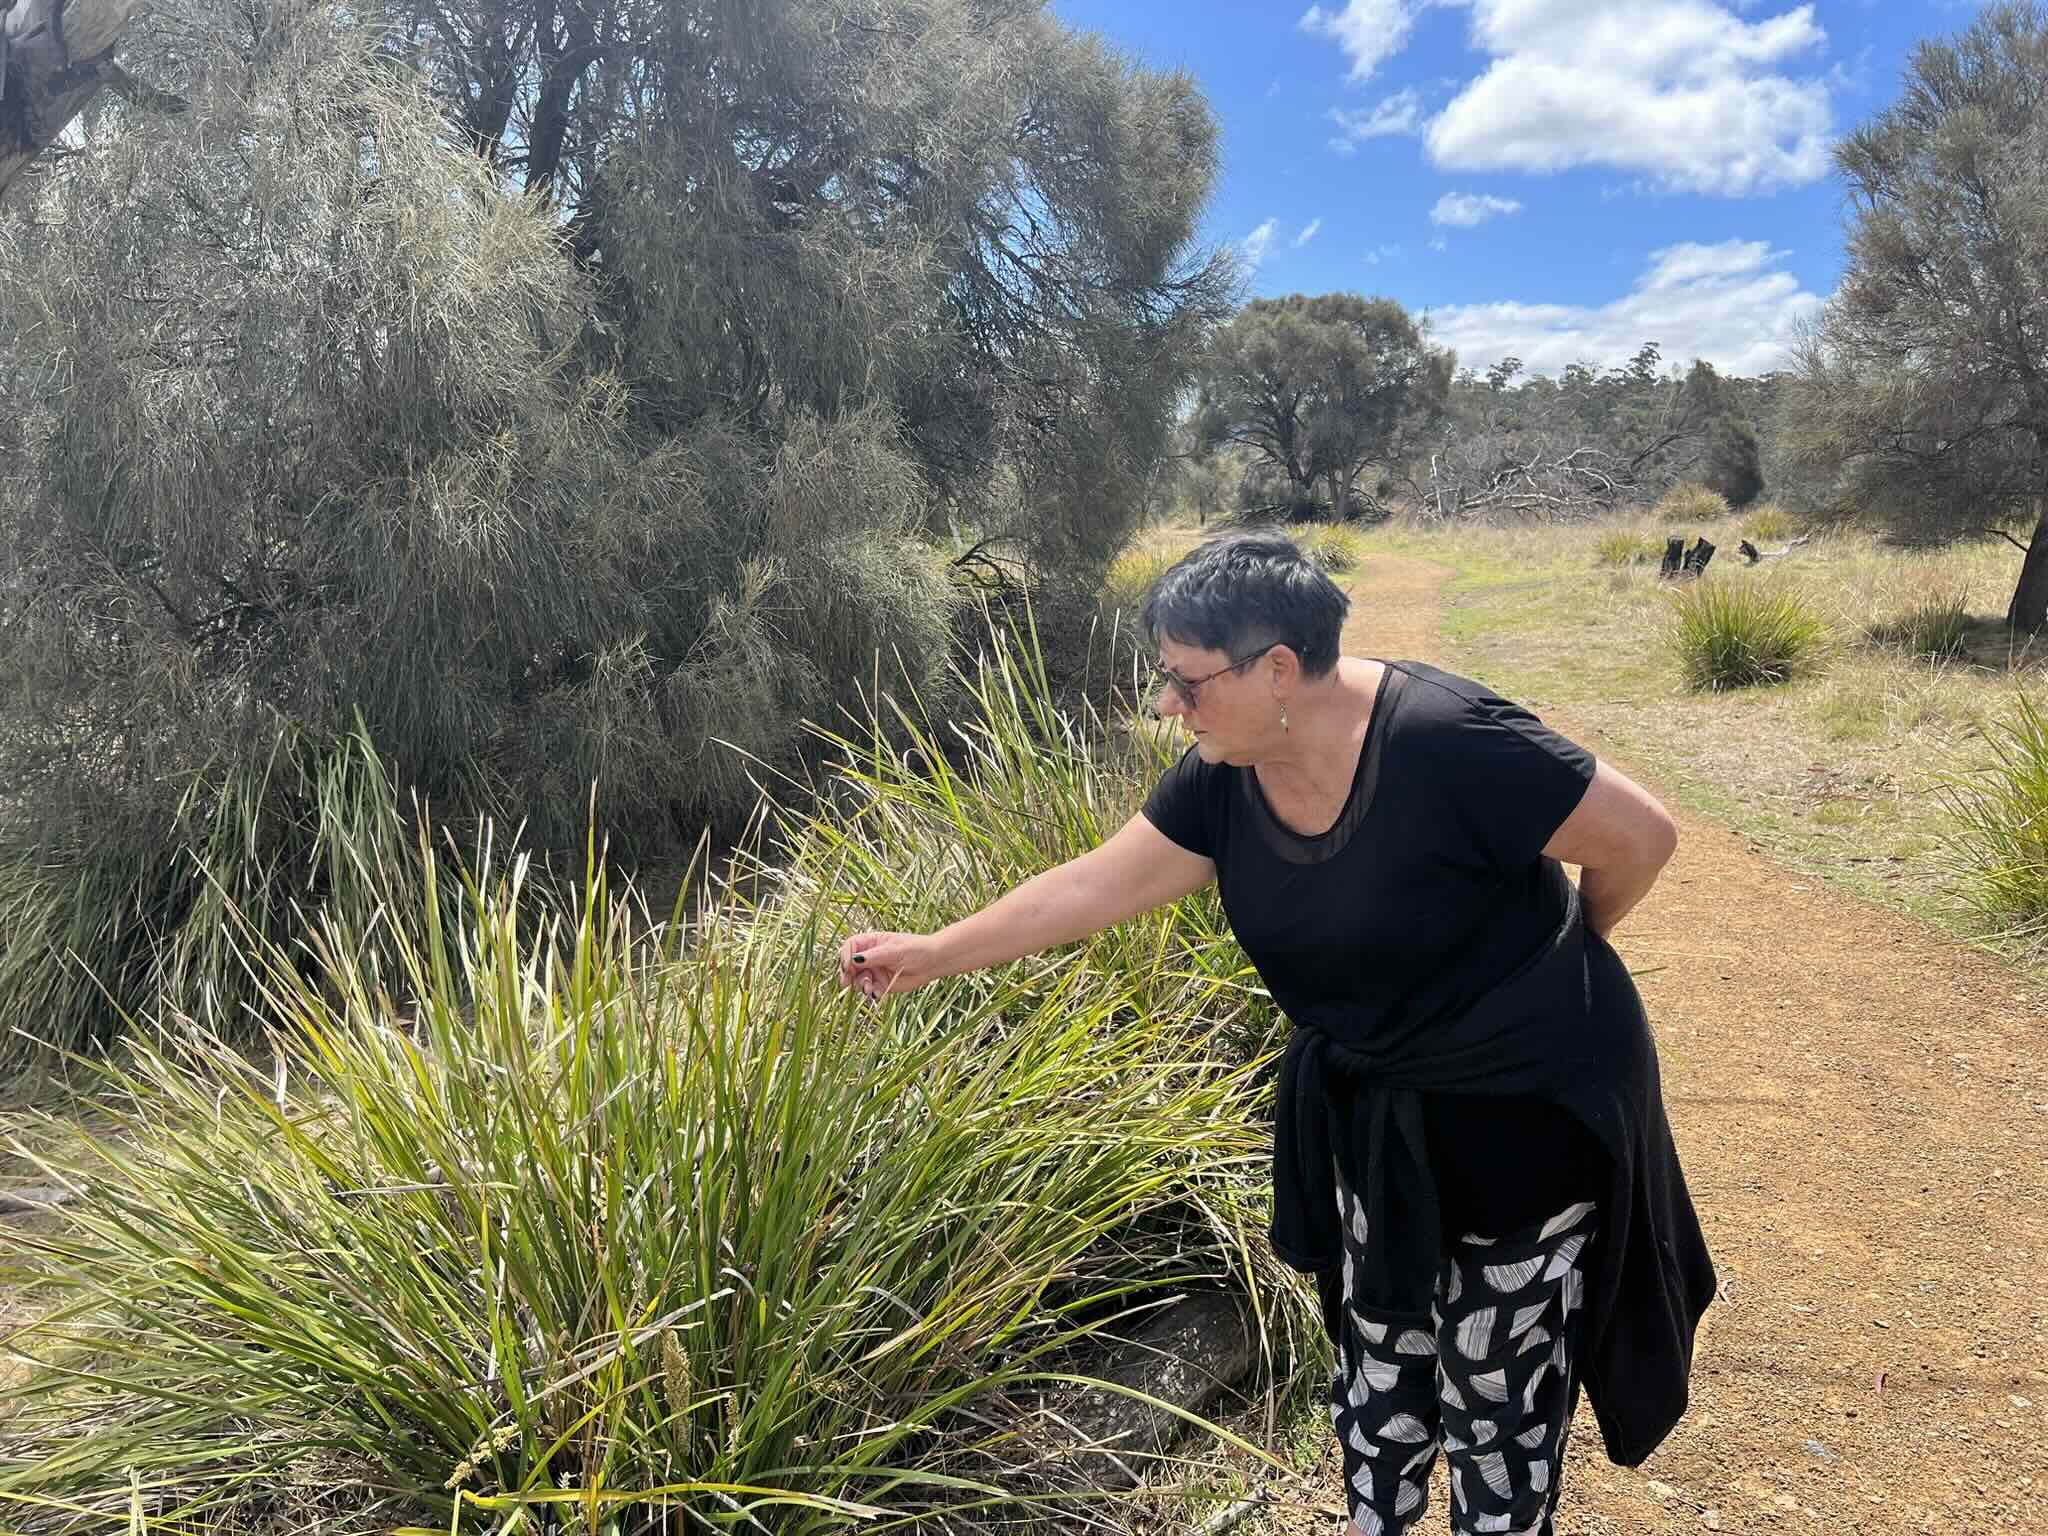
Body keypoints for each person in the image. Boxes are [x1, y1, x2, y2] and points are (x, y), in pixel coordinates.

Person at [837, 532, 1715, 1536]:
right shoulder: (1225, 772)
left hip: (1521, 1113)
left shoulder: (1447, 739)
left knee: (1496, 1400)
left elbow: (1639, 835)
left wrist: (1569, 955)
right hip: (1374, 1117)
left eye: (1186, 681)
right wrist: (933, 950)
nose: (1167, 706)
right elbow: (1090, 884)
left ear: (1279, 670)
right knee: (1378, 1382)